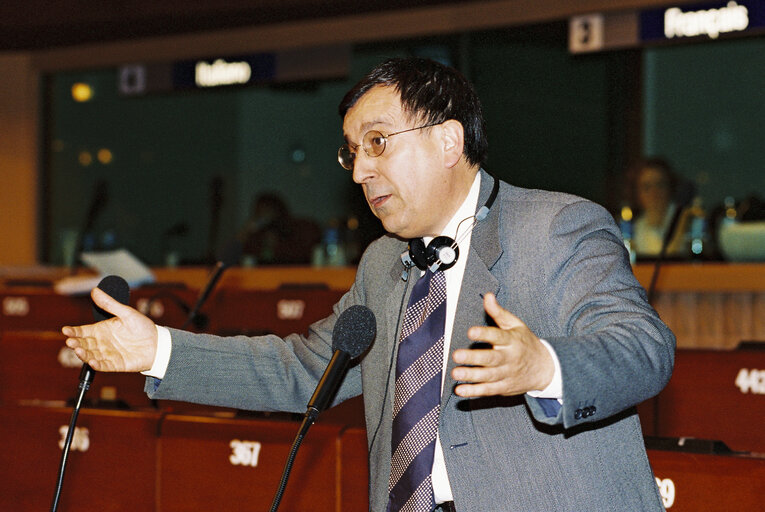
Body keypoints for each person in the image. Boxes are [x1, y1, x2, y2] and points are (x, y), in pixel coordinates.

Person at [63, 57, 675, 511]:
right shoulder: (384, 264)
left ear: (448, 140)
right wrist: (159, 350)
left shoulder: (555, 227)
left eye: (378, 142)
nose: (360, 170)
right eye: (352, 151)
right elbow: (304, 368)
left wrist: (545, 367)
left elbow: (643, 348)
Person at [627, 157, 691, 258]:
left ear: (671, 187)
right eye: (647, 187)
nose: (654, 193)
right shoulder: (634, 227)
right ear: (637, 193)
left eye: (660, 185)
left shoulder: (688, 219)